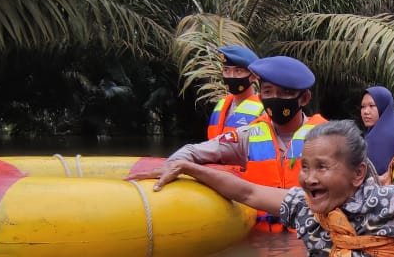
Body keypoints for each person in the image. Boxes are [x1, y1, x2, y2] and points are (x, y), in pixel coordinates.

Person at [143, 120, 394, 257]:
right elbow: (247, 192)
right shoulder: (301, 207)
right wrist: (189, 167)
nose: (309, 179)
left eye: (322, 167)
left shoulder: (391, 204)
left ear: (358, 173)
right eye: (305, 167)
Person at [130, 55, 327, 231]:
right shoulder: (248, 135)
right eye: (268, 92)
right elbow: (193, 151)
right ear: (261, 96)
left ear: (304, 98)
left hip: (309, 236)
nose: (275, 99)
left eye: (285, 93)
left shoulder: (328, 138)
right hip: (261, 237)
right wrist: (170, 167)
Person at [206, 45, 264, 140]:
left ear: (254, 76)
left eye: (238, 71)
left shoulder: (264, 109)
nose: (231, 76)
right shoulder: (221, 104)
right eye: (226, 70)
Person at [360, 86, 394, 172]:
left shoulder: (379, 138)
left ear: (383, 107)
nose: (366, 111)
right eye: (363, 106)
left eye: (371, 106)